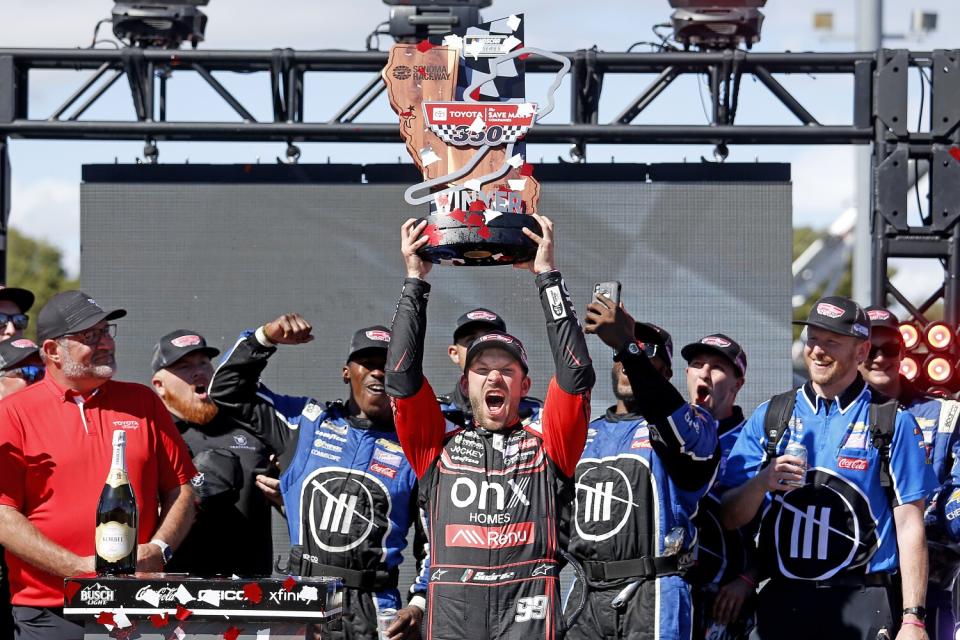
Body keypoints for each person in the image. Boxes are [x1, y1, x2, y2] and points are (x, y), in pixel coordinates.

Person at [385, 215, 595, 640]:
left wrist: (547, 275)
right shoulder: (435, 447)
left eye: (507, 370)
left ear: (525, 386)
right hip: (452, 618)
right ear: (465, 382)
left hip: (528, 616)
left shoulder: (549, 445)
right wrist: (415, 282)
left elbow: (575, 373)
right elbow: (401, 376)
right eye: (482, 370)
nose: (495, 378)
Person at [720, 296, 937, 640]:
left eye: (832, 342)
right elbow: (730, 517)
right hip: (783, 598)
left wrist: (913, 618)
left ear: (861, 352)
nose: (818, 351)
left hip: (862, 599)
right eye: (813, 339)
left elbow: (910, 525)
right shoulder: (772, 415)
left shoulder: (892, 421)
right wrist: (762, 482)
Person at [209, 315, 426, 640]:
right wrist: (264, 338)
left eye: (388, 364)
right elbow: (226, 391)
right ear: (346, 372)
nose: (378, 371)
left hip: (375, 606)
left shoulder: (416, 446)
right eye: (366, 363)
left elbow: (434, 541)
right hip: (303, 599)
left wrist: (420, 604)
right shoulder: (307, 422)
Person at [0, 291, 197, 640]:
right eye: (91, 336)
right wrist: (76, 568)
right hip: (49, 610)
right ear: (51, 351)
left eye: (107, 331)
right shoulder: (14, 412)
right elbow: (3, 515)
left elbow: (181, 486)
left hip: (137, 604)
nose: (106, 342)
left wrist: (160, 548)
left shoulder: (142, 402)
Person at [563, 309, 719, 640]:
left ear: (665, 371)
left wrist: (626, 345)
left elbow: (676, 425)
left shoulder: (694, 424)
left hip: (654, 593)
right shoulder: (585, 434)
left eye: (645, 350)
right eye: (619, 354)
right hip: (586, 597)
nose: (626, 360)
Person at [859, 306, 960, 640]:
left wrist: (934, 515)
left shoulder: (946, 415)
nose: (878, 358)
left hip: (929, 586)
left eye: (888, 348)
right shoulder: (835, 417)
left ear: (901, 352)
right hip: (855, 583)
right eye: (870, 349)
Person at [150, 329, 276, 576]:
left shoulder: (251, 427)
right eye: (184, 366)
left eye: (204, 363)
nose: (199, 371)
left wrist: (286, 495)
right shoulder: (151, 437)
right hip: (173, 591)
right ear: (159, 385)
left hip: (249, 590)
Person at [681, 334, 755, 639]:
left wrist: (748, 579)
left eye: (717, 367)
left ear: (738, 383)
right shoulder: (665, 434)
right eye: (697, 364)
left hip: (721, 600)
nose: (705, 373)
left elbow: (777, 529)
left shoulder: (753, 442)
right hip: (666, 591)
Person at [438, 308, 541, 426]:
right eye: (471, 340)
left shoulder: (536, 415)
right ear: (454, 353)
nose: (481, 345)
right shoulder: (437, 412)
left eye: (491, 338)